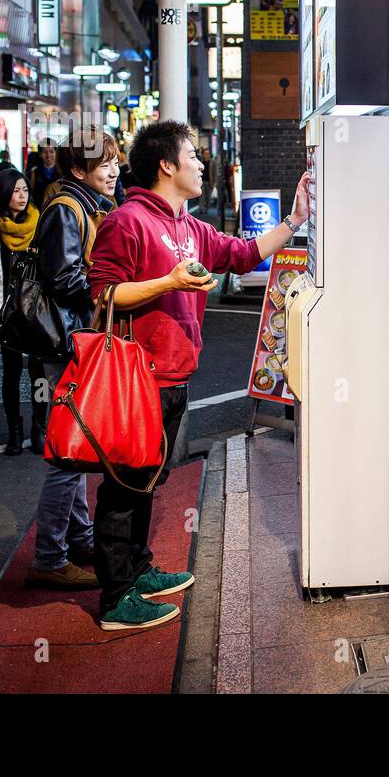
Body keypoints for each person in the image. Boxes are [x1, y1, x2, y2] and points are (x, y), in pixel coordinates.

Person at [86, 120, 310, 630]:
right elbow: (101, 295)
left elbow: (243, 253)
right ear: (166, 164)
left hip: (172, 376)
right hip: (134, 378)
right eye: (192, 154)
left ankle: (138, 570)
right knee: (123, 485)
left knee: (148, 478)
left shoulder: (188, 226)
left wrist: (294, 220)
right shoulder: (128, 221)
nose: (201, 162)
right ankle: (116, 597)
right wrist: (166, 281)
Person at [23, 128, 119, 590]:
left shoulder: (86, 203)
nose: (114, 171)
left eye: (116, 162)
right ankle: (49, 558)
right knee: (67, 455)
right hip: (67, 343)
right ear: (79, 170)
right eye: (105, 164)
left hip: (75, 341)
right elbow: (65, 279)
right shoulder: (67, 207)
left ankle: (78, 540)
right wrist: (111, 291)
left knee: (78, 449)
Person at [0, 168, 46, 455]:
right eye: (16, 190)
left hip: (37, 310)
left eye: (25, 190)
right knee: (11, 372)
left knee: (39, 372)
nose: (22, 196)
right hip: (7, 313)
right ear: (3, 194)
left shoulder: (40, 224)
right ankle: (14, 433)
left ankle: (39, 428)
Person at [28, 140, 62, 204]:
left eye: (51, 152)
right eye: (45, 152)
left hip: (57, 209)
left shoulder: (62, 172)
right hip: (38, 211)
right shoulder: (34, 173)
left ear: (56, 153)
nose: (48, 155)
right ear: (40, 154)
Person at [198, 148, 213, 217]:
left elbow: (215, 173)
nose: (206, 155)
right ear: (203, 154)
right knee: (201, 196)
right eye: (205, 153)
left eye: (208, 154)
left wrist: (214, 183)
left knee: (208, 197)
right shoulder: (200, 162)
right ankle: (201, 209)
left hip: (209, 182)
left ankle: (206, 209)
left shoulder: (213, 162)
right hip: (201, 181)